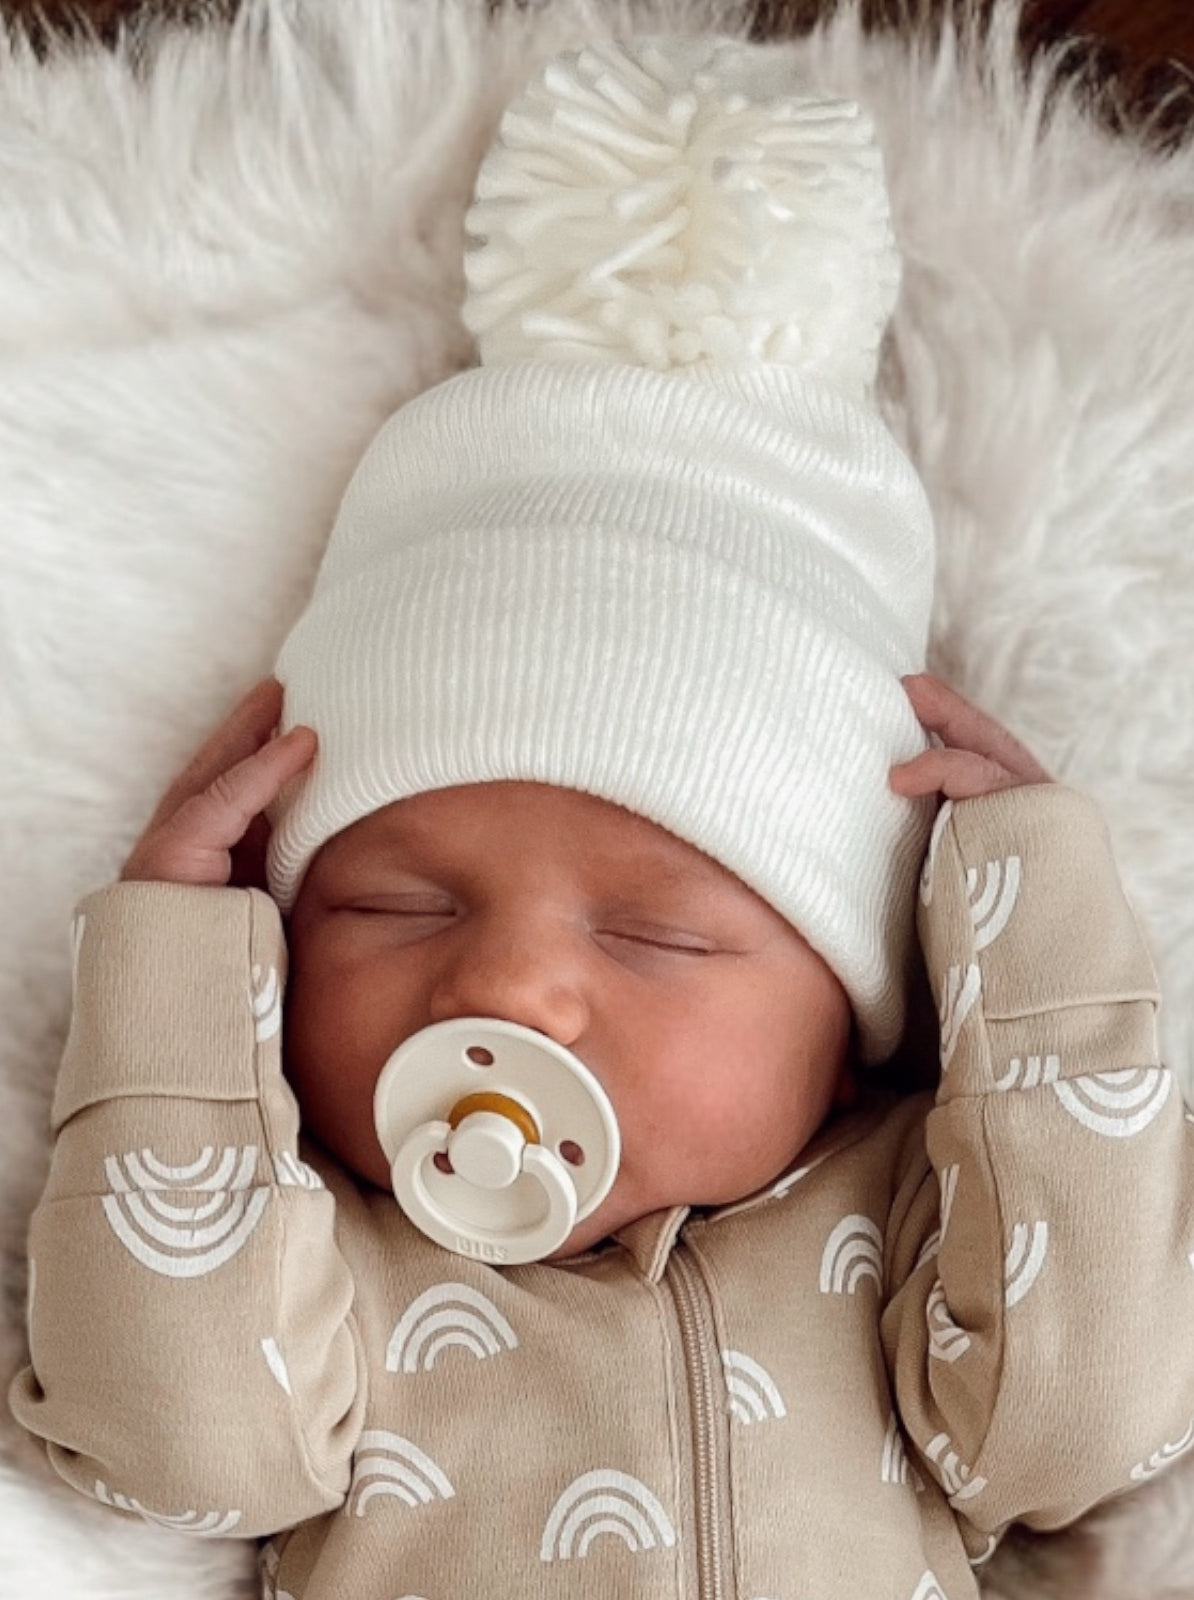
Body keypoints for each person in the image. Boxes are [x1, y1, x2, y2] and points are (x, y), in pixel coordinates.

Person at [10, 33, 1194, 1600]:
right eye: (391, 906)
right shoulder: (328, 1269)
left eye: (656, 931)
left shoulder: (915, 1216)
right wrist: (169, 978)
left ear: (847, 1025)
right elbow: (174, 1445)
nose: (501, 991)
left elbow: (1080, 1430)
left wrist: (1033, 956)